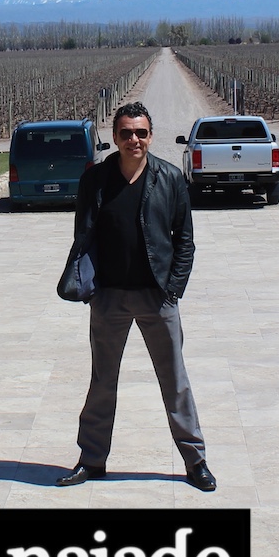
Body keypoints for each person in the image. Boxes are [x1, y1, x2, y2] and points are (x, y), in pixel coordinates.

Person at [57, 101, 214, 492]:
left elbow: (186, 242)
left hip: (156, 297)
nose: (134, 140)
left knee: (175, 381)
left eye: (141, 132)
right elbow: (84, 237)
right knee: (101, 382)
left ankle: (195, 462)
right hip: (108, 298)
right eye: (126, 133)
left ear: (150, 135)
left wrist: (172, 289)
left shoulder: (170, 178)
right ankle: (91, 461)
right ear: (115, 137)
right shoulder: (95, 180)